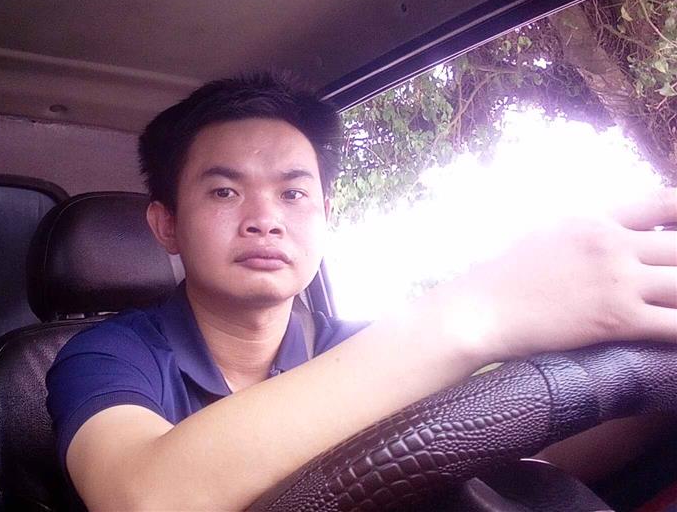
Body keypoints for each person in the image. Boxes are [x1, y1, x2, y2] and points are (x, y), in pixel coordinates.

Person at [46, 72, 677, 511]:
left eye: (294, 193)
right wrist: (480, 307)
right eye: (225, 191)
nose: (265, 219)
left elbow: (511, 461)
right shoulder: (107, 356)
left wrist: (646, 397)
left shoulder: (360, 351)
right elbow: (143, 498)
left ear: (325, 217)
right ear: (167, 225)